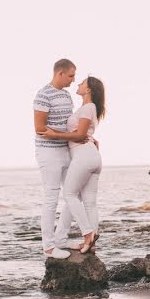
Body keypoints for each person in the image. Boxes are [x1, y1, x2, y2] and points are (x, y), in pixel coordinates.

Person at [41, 76, 105, 254]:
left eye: (82, 82)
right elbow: (83, 133)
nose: (78, 84)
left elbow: (79, 134)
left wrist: (53, 134)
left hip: (84, 155)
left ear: (89, 89)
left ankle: (88, 234)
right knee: (90, 202)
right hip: (92, 156)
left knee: (69, 194)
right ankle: (92, 244)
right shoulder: (88, 108)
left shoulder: (87, 107)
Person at [33, 59, 86, 259]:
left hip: (66, 151)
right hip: (48, 153)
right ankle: (48, 247)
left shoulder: (65, 96)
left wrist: (85, 137)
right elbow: (40, 129)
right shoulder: (42, 95)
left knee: (74, 193)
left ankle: (61, 239)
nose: (74, 80)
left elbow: (69, 124)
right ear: (60, 73)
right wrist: (61, 136)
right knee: (51, 199)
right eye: (71, 75)